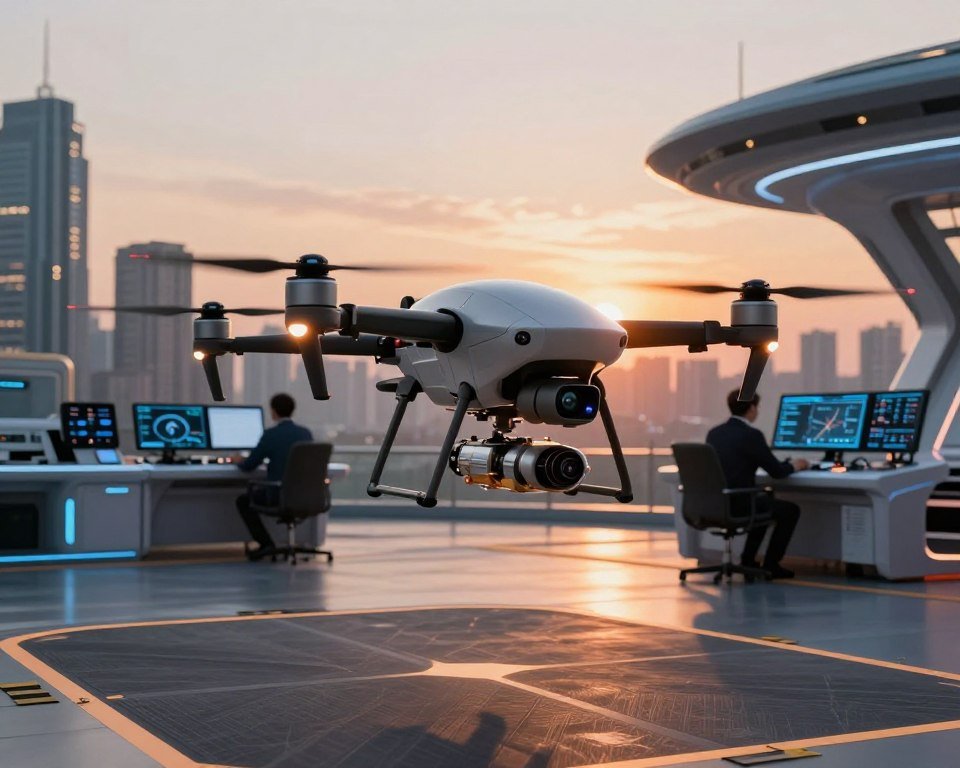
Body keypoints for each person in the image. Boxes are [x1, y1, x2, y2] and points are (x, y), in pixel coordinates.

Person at [706, 390, 810, 579]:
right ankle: (771, 564)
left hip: (716, 504)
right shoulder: (751, 435)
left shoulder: (715, 434)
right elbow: (777, 472)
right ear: (752, 407)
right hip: (740, 504)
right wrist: (796, 465)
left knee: (762, 503)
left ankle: (748, 560)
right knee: (789, 510)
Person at [235, 393, 313, 560]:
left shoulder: (271, 435)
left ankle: (266, 544)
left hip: (279, 494)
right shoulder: (305, 433)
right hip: (305, 496)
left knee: (243, 500)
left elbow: (248, 466)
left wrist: (237, 460)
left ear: (273, 411)